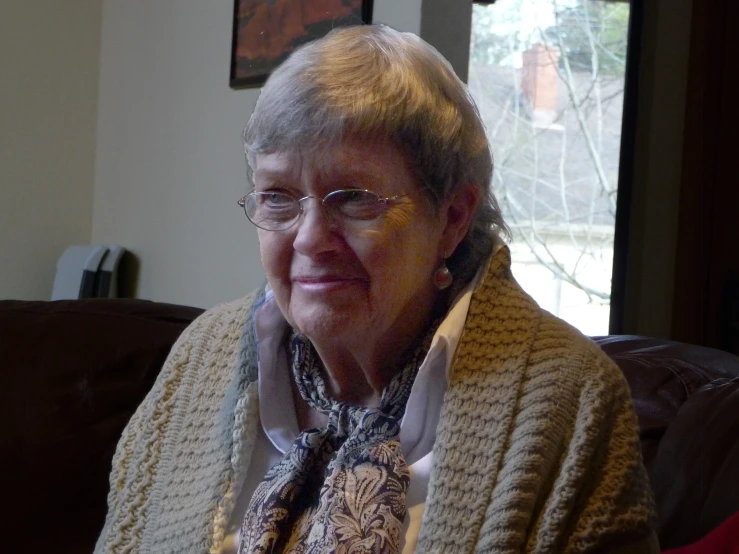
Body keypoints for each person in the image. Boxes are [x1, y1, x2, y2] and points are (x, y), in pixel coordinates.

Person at [94, 24, 657, 554]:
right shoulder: (201, 358)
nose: (311, 239)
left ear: (453, 217)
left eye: (355, 198)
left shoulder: (567, 399)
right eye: (278, 197)